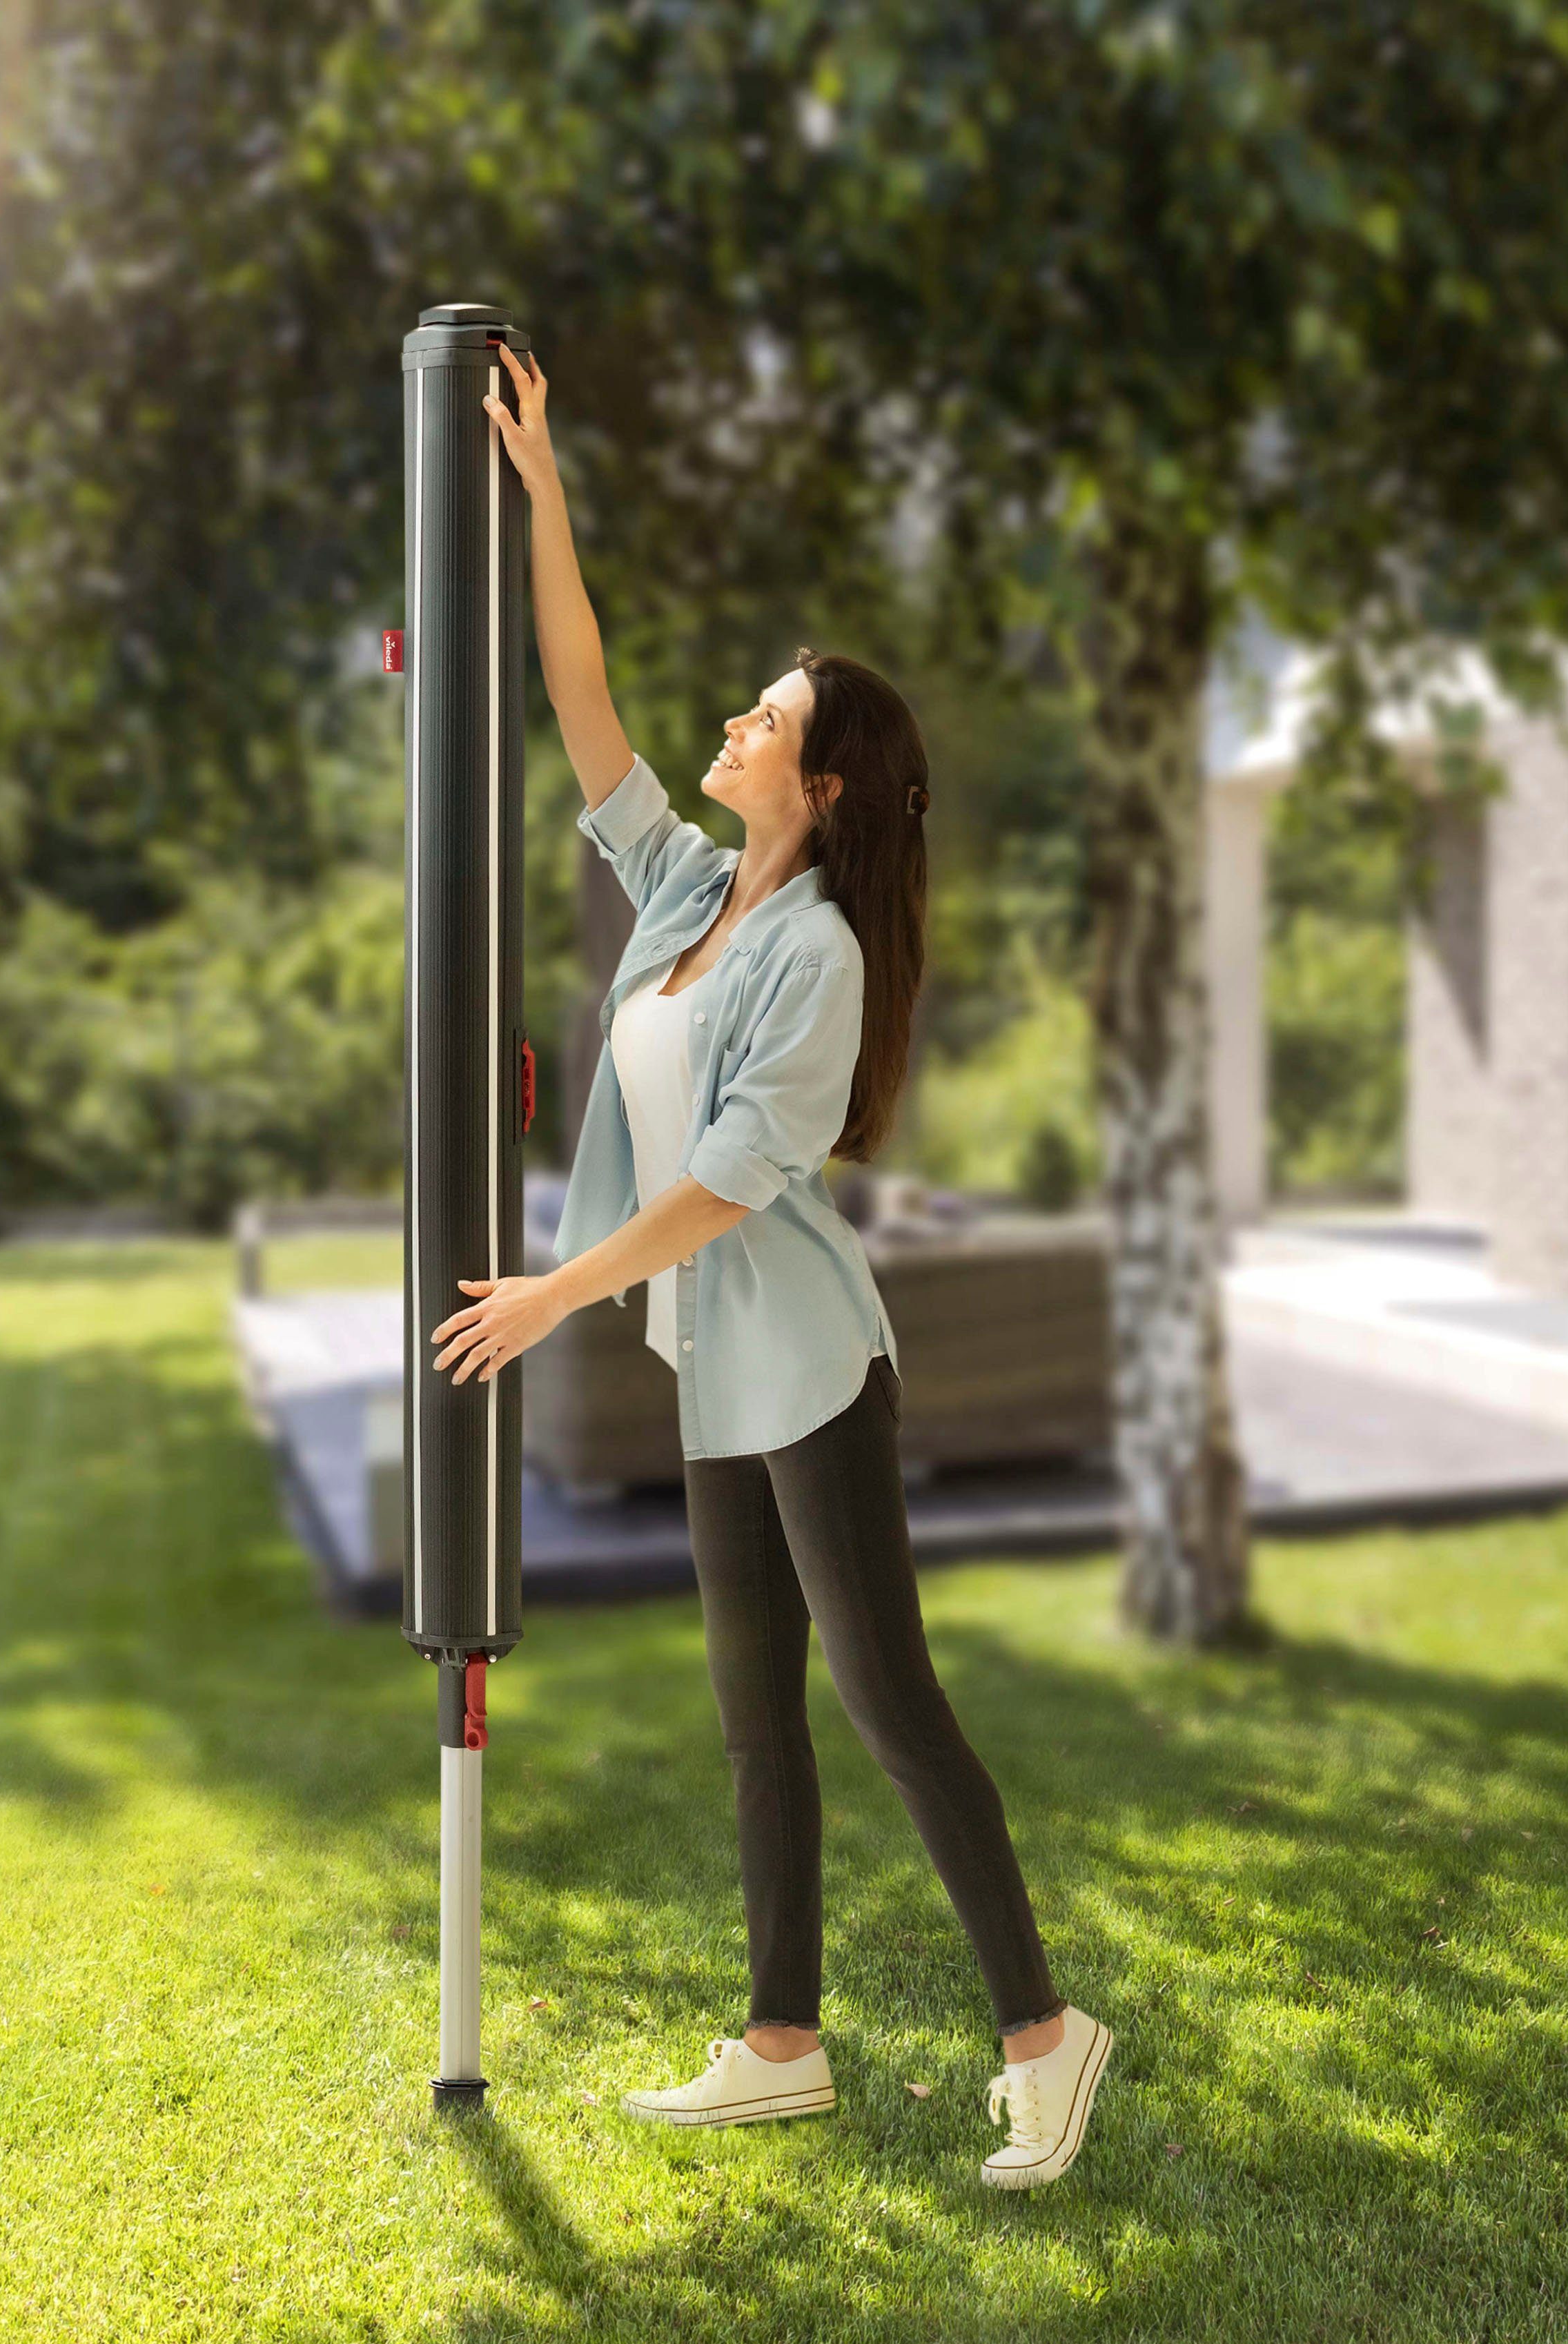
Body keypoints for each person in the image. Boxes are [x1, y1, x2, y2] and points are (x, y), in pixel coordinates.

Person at [428, 344, 1111, 2189]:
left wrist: (552, 1296)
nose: (731, 721)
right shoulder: (686, 898)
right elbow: (583, 698)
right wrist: (541, 481)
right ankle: (782, 2043)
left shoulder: (818, 956)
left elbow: (729, 1187)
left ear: (817, 782)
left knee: (885, 1695)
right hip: (713, 1364)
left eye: (764, 714)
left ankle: (1045, 2040)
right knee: (755, 1712)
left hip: (804, 1355)